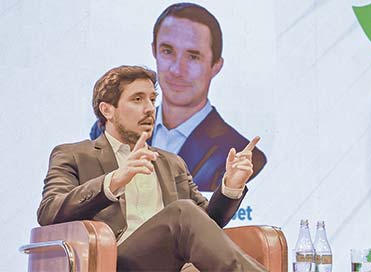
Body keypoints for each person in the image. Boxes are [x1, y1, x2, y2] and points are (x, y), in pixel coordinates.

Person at [39, 65, 267, 271]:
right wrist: (114, 181)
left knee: (189, 222)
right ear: (108, 110)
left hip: (172, 263)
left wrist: (230, 186)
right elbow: (49, 212)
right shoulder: (74, 154)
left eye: (152, 99)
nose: (150, 108)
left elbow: (206, 226)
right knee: (183, 213)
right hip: (115, 262)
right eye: (137, 99)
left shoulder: (171, 162)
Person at [90, 3, 267, 192]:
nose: (176, 70)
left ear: (216, 66)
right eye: (167, 51)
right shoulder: (106, 129)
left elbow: (207, 215)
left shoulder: (243, 155)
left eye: (193, 57)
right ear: (154, 51)